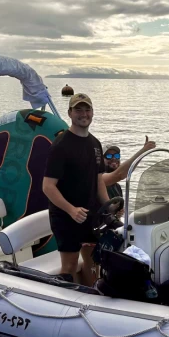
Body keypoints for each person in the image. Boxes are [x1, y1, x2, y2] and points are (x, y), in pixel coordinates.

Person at [42, 93, 110, 286]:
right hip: (66, 217)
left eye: (87, 109)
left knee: (93, 263)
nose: (84, 114)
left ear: (93, 112)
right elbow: (47, 187)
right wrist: (71, 210)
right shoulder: (61, 145)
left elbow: (99, 182)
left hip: (89, 216)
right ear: (70, 113)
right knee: (70, 267)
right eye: (78, 110)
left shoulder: (95, 144)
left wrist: (108, 207)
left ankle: (92, 298)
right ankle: (65, 305)